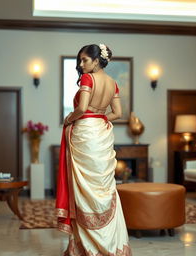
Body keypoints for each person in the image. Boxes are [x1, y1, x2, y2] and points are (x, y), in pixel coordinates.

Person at [55, 44, 132, 256]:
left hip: (85, 132)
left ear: (96, 61)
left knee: (83, 188)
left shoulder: (89, 78)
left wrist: (68, 119)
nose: (81, 65)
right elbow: (118, 113)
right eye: (80, 61)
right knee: (104, 187)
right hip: (101, 131)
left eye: (84, 60)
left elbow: (81, 108)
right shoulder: (112, 83)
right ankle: (111, 246)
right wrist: (100, 119)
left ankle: (86, 248)